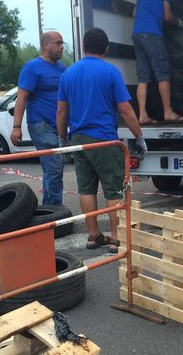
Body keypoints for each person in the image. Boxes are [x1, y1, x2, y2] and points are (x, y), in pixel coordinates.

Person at [57, 28, 147, 253]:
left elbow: (61, 112)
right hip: (104, 140)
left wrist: (62, 139)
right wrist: (139, 136)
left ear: (84, 47)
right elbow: (125, 110)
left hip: (78, 139)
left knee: (86, 189)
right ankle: (116, 238)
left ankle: (93, 235)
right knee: (114, 189)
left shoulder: (68, 74)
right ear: (106, 49)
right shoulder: (110, 72)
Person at [11, 31, 66, 205]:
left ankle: (52, 208)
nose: (61, 47)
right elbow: (22, 97)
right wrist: (16, 126)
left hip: (60, 126)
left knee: (55, 168)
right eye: (57, 43)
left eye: (62, 43)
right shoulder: (32, 68)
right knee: (54, 168)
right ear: (46, 45)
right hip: (41, 124)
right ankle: (51, 211)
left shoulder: (63, 69)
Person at [132, 0, 183, 125]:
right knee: (163, 74)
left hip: (137, 35)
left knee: (143, 77)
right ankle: (168, 112)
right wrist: (179, 23)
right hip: (152, 34)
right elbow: (167, 15)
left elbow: (135, 13)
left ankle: (142, 115)